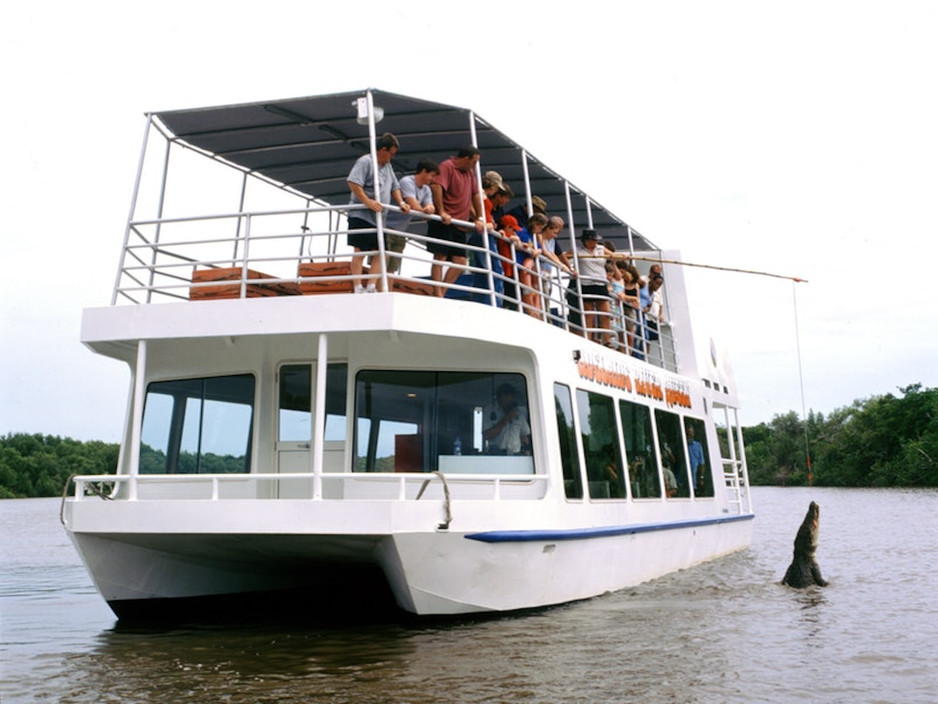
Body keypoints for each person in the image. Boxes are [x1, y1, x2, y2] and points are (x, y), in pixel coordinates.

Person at [346, 133, 410, 292]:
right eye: (391, 153)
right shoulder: (365, 162)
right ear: (383, 149)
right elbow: (353, 182)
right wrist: (368, 202)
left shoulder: (387, 167)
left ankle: (371, 285)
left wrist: (401, 202)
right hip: (360, 215)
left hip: (379, 218)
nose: (392, 157)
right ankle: (357, 286)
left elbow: (395, 187)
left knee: (381, 252)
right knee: (359, 250)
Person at [427, 146, 485, 297]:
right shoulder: (447, 166)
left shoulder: (470, 173)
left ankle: (441, 292)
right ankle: (437, 292)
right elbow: (436, 186)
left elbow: (475, 195)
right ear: (466, 159)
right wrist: (441, 211)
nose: (474, 165)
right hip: (444, 221)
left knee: (460, 261)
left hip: (460, 224)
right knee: (440, 256)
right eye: (474, 161)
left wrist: (479, 217)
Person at [385, 159, 439, 274]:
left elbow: (431, 207)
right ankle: (374, 289)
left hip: (400, 231)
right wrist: (425, 211)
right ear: (424, 171)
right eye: (432, 175)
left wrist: (428, 209)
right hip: (386, 227)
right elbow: (413, 204)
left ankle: (387, 290)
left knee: (392, 267)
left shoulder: (426, 189)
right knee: (381, 262)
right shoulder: (407, 181)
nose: (432, 179)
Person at [482, 383, 531, 455]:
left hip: (515, 454)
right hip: (496, 453)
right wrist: (506, 419)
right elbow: (487, 436)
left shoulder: (518, 413)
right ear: (503, 396)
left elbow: (524, 435)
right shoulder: (490, 411)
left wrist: (527, 452)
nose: (513, 399)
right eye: (511, 396)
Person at [686, 424, 706, 492]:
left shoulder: (698, 445)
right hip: (683, 480)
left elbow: (702, 463)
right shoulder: (682, 446)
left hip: (694, 480)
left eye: (691, 433)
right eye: (688, 434)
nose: (689, 436)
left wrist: (701, 478)